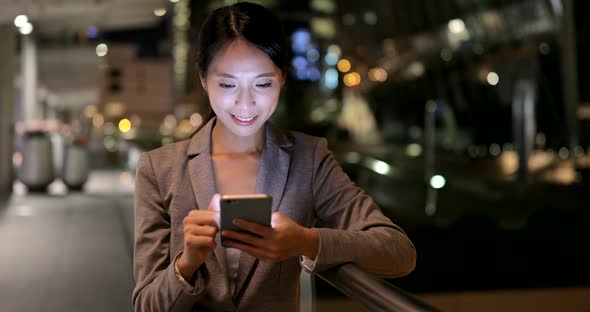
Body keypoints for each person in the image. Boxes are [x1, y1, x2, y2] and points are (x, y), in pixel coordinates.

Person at [132, 2, 416, 311]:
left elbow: (399, 252)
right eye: (227, 84)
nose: (245, 103)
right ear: (203, 78)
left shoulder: (309, 158)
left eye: (263, 83)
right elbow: (145, 305)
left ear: (282, 78)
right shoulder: (159, 169)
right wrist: (186, 264)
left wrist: (306, 242)